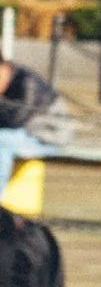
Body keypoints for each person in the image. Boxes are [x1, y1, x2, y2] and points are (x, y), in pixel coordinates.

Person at [0, 56, 63, 196]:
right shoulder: (10, 81)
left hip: (48, 137)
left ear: (4, 68)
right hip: (26, 135)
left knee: (1, 141)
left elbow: (17, 120)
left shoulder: (27, 82)